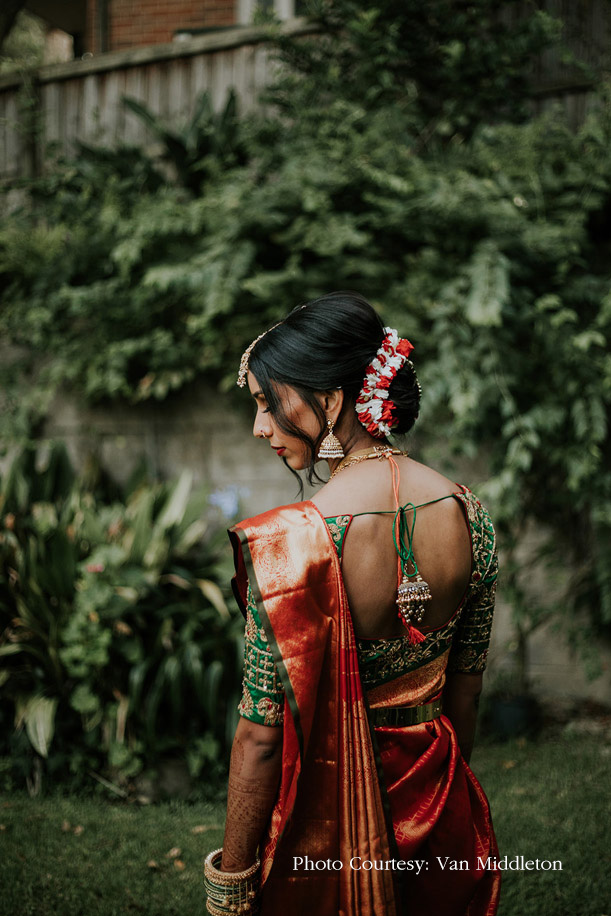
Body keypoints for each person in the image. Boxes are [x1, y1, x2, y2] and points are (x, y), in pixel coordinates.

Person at [204, 292, 500, 916]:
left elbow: (261, 735)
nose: (260, 427)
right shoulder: (470, 515)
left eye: (267, 401)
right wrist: (443, 802)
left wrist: (231, 883)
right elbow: (465, 691)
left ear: (333, 401)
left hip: (330, 810)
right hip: (439, 792)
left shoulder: (294, 543)